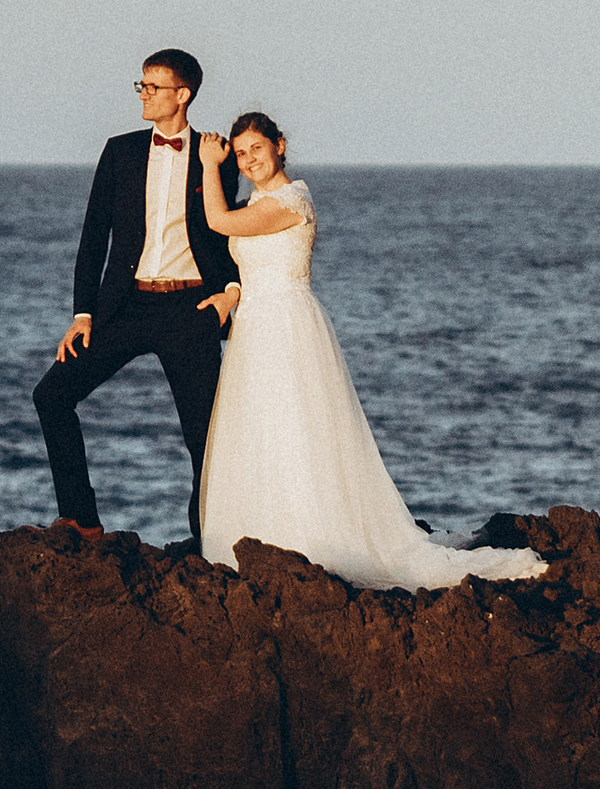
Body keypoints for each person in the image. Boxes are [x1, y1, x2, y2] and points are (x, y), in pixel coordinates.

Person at [191, 113, 545, 591]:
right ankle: (266, 528)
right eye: (239, 153)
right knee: (263, 428)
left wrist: (210, 165)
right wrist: (232, 293)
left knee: (296, 427)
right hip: (254, 324)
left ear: (279, 146)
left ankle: (312, 533)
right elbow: (246, 257)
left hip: (287, 325)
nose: (248, 159)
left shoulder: (292, 200)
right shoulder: (259, 199)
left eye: (256, 148)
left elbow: (218, 222)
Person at [35, 48, 237, 547]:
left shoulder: (216, 154)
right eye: (141, 85)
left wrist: (231, 292)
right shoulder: (119, 151)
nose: (143, 94)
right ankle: (80, 519)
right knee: (52, 395)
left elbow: (230, 232)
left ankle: (207, 541)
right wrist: (82, 314)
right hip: (123, 306)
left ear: (182, 94)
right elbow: (93, 236)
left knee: (203, 438)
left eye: (153, 86)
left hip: (190, 310)